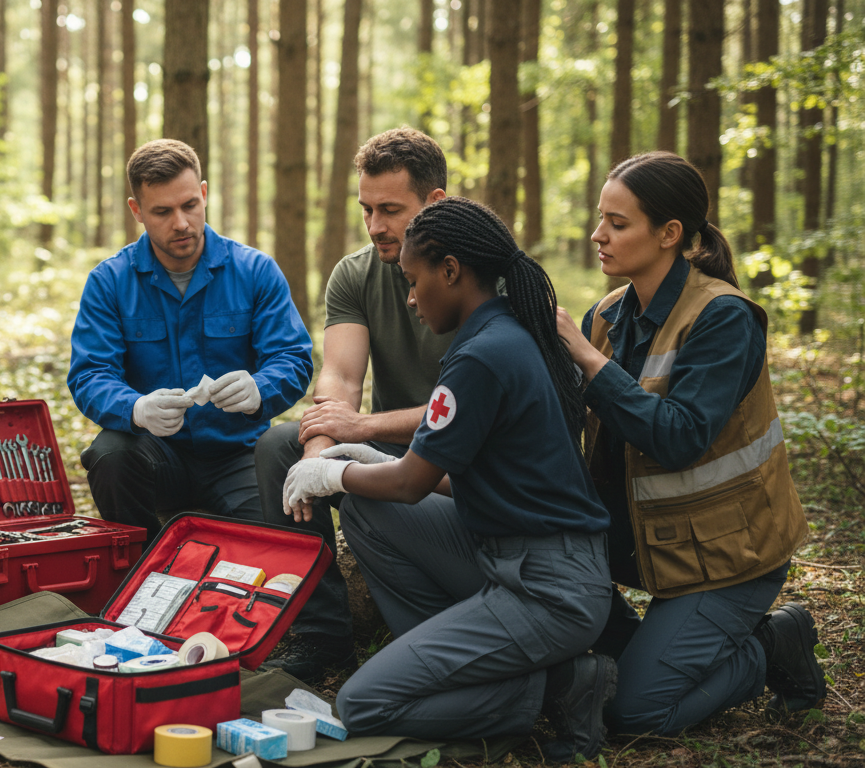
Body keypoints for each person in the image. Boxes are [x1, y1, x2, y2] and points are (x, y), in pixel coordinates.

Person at [284, 198, 616, 760]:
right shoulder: (504, 331)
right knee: (369, 507)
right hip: (517, 558)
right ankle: (466, 661)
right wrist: (364, 462)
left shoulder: (481, 357)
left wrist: (332, 472)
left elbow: (411, 484)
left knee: (362, 704)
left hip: (548, 589)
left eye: (414, 282)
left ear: (452, 271)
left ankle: (553, 689)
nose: (410, 298)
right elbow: (463, 481)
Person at [555, 151, 825, 736]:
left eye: (618, 223)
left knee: (634, 713)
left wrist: (585, 357)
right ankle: (665, 649)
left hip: (730, 560)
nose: (597, 235)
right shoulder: (607, 315)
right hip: (651, 551)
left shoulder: (724, 317)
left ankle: (771, 645)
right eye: (600, 218)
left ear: (669, 234)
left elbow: (678, 438)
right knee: (553, 622)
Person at [254, 127, 455, 684]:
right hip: (390, 442)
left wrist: (360, 426)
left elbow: (469, 405)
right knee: (279, 447)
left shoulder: (481, 273)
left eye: (390, 210)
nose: (375, 226)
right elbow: (341, 376)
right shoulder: (355, 273)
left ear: (434, 203)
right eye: (366, 209)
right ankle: (322, 636)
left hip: (463, 448)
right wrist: (316, 458)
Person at [67, 139, 313, 543]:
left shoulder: (254, 271)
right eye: (162, 212)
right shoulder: (110, 282)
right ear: (137, 211)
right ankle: (138, 570)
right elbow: (90, 374)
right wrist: (136, 409)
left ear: (203, 194)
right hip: (155, 456)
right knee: (110, 453)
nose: (180, 223)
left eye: (189, 206)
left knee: (280, 535)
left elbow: (293, 357)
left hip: (239, 454)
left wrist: (260, 389)